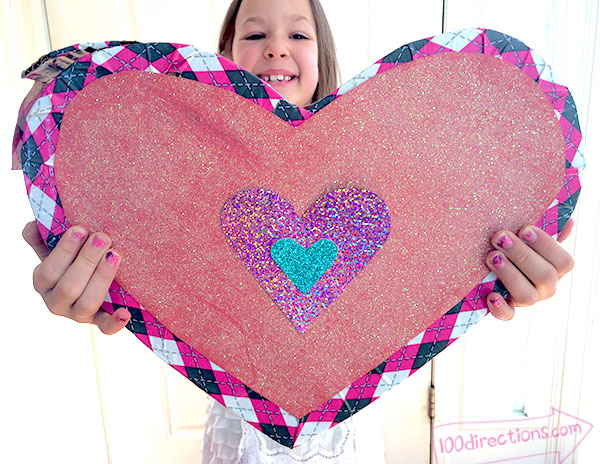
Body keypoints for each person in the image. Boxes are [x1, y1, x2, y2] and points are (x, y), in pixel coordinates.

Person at [21, 0, 576, 461]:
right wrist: (110, 283)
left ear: (323, 55)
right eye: (255, 32)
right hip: (238, 428)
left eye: (298, 34)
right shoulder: (180, 178)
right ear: (224, 55)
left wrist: (490, 279)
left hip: (349, 433)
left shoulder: (394, 168)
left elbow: (432, 260)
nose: (276, 48)